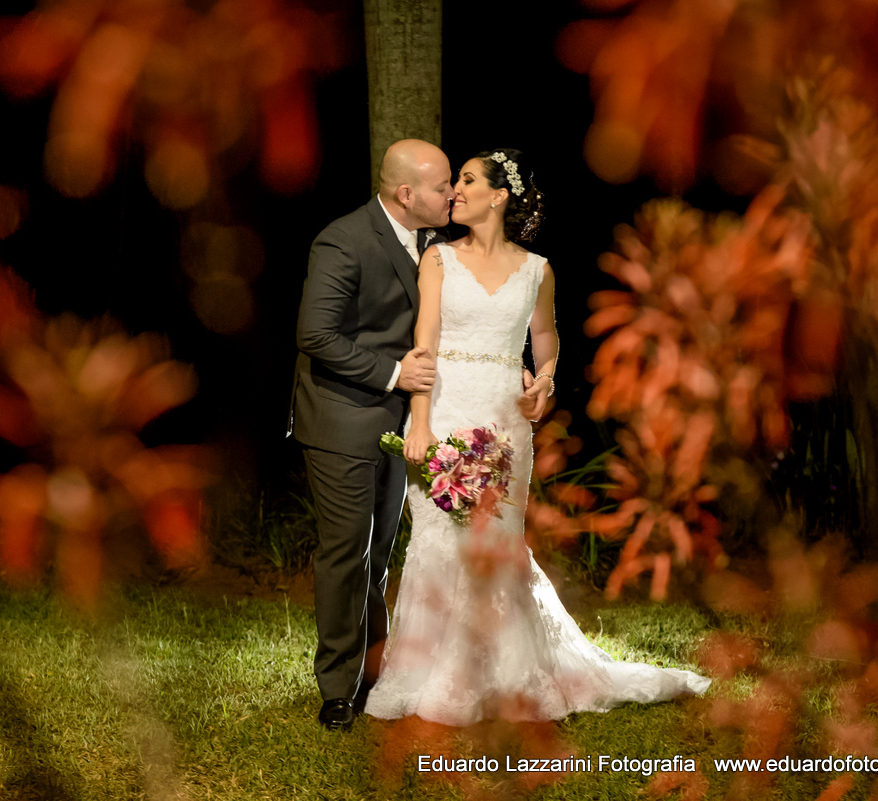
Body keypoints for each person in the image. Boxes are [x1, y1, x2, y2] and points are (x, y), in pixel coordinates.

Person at [363, 148, 711, 726]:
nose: (455, 191)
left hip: (505, 421)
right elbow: (423, 345)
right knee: (439, 543)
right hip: (445, 408)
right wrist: (419, 421)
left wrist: (544, 382)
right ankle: (432, 675)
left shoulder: (538, 270)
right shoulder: (438, 259)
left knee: (497, 544)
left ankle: (506, 675)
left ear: (499, 196)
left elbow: (546, 338)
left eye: (466, 180)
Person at [289, 139, 455, 731]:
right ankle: (338, 689)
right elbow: (316, 334)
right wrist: (392, 374)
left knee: (379, 554)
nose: (452, 194)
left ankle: (375, 671)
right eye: (441, 186)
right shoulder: (344, 240)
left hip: (396, 423)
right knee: (346, 555)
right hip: (342, 418)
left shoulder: (434, 245)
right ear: (406, 194)